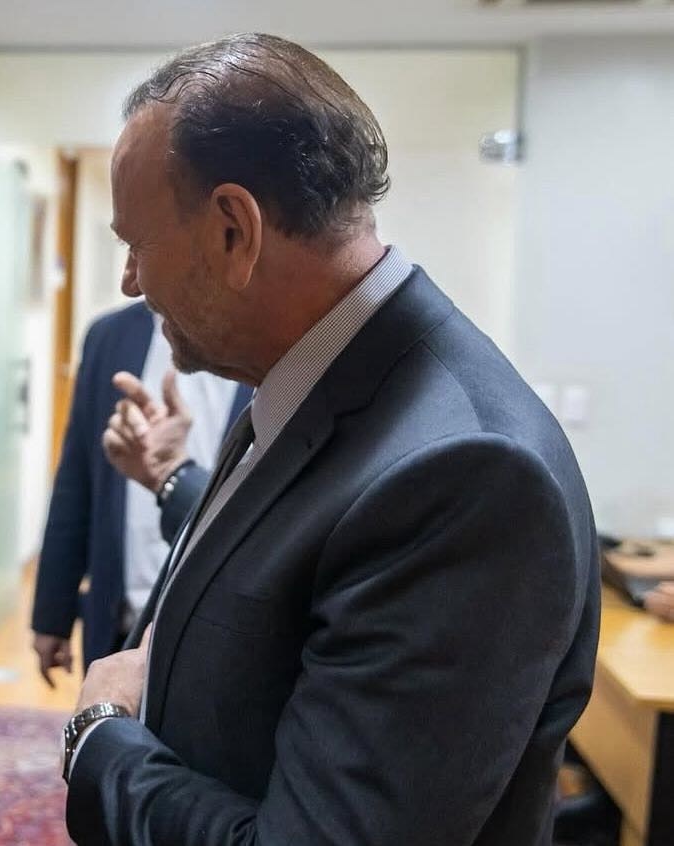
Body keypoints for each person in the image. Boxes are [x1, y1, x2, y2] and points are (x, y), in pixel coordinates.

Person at [62, 33, 600, 846]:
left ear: (233, 231)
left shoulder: (469, 477)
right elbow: (289, 560)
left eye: (135, 244)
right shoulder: (319, 366)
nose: (129, 282)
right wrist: (175, 476)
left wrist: (99, 739)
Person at [32, 301, 249, 680]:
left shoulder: (267, 338)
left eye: (140, 249)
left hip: (222, 635)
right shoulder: (110, 337)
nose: (129, 279)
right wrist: (53, 612)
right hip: (120, 623)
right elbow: (78, 479)